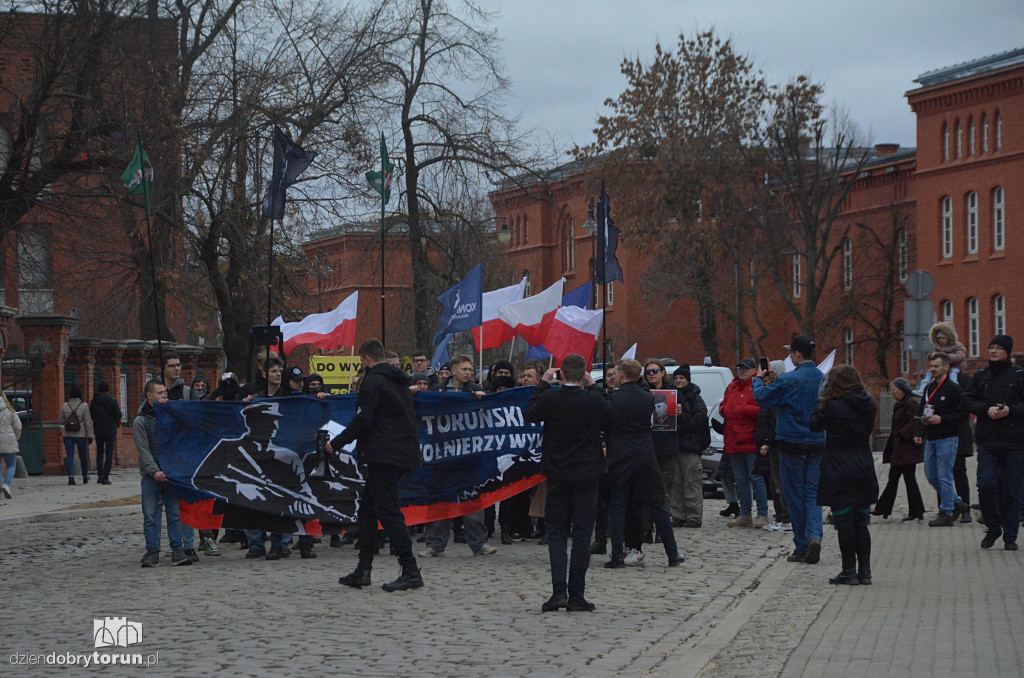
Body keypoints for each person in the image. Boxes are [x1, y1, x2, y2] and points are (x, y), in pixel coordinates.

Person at [329, 339, 424, 592]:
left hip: (384, 454)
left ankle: (411, 570)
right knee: (368, 511)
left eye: (362, 362)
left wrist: (335, 443)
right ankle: (363, 569)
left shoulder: (372, 381)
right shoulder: (399, 380)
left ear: (366, 359)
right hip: (400, 451)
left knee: (390, 512)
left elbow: (364, 418)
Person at [524, 353, 613, 612]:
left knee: (557, 534)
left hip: (559, 473)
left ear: (560, 374)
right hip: (587, 474)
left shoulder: (550, 397)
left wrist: (543, 383)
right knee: (583, 534)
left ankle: (558, 591)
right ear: (585, 374)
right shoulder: (593, 399)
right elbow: (611, 412)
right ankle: (576, 594)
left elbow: (529, 412)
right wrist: (594, 386)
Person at [753, 336, 826, 565]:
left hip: (791, 442)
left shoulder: (791, 379)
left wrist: (759, 380)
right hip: (816, 441)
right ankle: (815, 535)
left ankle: (802, 546)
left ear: (796, 354)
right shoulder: (822, 377)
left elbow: (762, 397)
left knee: (794, 496)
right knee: (812, 493)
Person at [604, 359, 684, 569]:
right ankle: (672, 553)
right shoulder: (648, 398)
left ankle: (616, 556)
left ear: (621, 374)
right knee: (658, 505)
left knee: (619, 505)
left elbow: (607, 423)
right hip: (645, 454)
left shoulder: (615, 398)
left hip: (621, 454)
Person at [420, 354, 496, 557]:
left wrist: (483, 402)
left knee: (472, 501)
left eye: (471, 369)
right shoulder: (437, 391)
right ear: (453, 371)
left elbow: (488, 419)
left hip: (468, 456)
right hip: (442, 455)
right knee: (440, 501)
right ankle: (435, 544)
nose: (469, 372)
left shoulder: (476, 391)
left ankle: (479, 543)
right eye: (465, 369)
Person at [810, 365, 879, 585]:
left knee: (844, 521)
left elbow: (814, 424)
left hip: (839, 466)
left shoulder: (833, 405)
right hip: (863, 463)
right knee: (861, 520)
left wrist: (819, 401)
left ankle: (849, 570)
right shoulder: (868, 403)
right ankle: (865, 570)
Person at [963, 335, 1024, 550]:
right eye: (991, 347)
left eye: (998, 348)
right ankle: (993, 526)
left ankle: (1010, 536)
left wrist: (1011, 411)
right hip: (988, 441)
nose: (993, 351)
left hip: (1014, 442)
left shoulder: (1018, 375)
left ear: (1007, 351)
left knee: (1012, 491)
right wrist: (985, 410)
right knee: (986, 485)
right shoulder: (981, 376)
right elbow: (968, 400)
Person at [134, 380, 192, 567]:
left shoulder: (171, 417)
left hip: (171, 474)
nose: (164, 396)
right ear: (149, 396)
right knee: (151, 514)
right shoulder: (140, 421)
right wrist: (154, 471)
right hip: (152, 476)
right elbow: (143, 451)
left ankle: (177, 549)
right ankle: (152, 551)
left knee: (174, 514)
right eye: (159, 393)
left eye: (165, 392)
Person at [914, 352, 968, 527]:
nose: (932, 369)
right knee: (930, 475)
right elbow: (922, 409)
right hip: (931, 437)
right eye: (931, 366)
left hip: (948, 437)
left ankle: (946, 511)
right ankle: (957, 501)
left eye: (936, 366)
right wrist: (919, 430)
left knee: (945, 476)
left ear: (946, 367)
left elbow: (961, 414)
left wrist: (942, 419)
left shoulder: (954, 389)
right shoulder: (929, 387)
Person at [721, 359, 767, 528]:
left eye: (745, 368)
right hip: (733, 437)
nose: (741, 370)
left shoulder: (756, 385)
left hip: (750, 438)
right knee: (740, 479)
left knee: (755, 477)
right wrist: (725, 409)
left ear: (754, 370)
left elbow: (762, 409)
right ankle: (745, 513)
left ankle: (762, 514)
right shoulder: (732, 386)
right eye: (740, 367)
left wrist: (741, 409)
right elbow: (724, 404)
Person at [873, 378, 925, 521]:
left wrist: (902, 433)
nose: (891, 392)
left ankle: (886, 508)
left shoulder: (911, 402)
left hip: (906, 448)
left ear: (901, 390)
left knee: (902, 479)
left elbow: (915, 420)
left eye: (893, 389)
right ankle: (913, 510)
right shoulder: (901, 403)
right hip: (900, 448)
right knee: (898, 478)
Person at [645, 360, 684, 525]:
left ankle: (662, 527)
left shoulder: (674, 392)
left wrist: (680, 414)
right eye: (648, 372)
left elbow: (689, 423)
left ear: (662, 372)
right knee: (646, 489)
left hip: (668, 447)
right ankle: (647, 526)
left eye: (655, 370)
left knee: (665, 490)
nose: (652, 374)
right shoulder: (643, 392)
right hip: (647, 446)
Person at [673, 365, 710, 528]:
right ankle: (678, 515)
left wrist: (682, 419)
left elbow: (697, 421)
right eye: (676, 378)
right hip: (676, 447)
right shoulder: (672, 397)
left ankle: (694, 516)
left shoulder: (696, 399)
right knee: (676, 483)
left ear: (688, 380)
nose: (678, 381)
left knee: (692, 483)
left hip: (691, 447)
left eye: (681, 378)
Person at [89, 382, 123, 486]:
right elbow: (118, 415)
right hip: (110, 430)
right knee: (109, 453)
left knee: (100, 452)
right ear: (108, 390)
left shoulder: (94, 402)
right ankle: (106, 477)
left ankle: (100, 476)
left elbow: (92, 415)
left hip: (98, 429)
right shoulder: (112, 401)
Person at [59, 385, 93, 485]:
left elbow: (60, 420)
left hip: (68, 434)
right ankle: (85, 476)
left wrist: (67, 421)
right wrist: (90, 435)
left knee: (69, 455)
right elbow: (87, 421)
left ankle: (71, 477)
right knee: (83, 456)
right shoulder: (84, 405)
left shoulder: (65, 405)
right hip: (81, 434)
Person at [1, 390, 22, 499]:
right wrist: (16, 437)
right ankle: (6, 485)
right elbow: (18, 426)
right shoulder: (10, 410)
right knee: (11, 465)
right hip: (9, 440)